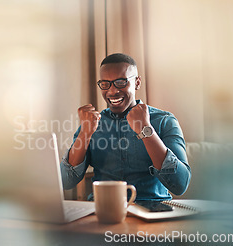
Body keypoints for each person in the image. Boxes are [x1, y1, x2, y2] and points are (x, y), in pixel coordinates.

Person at [61, 53, 191, 201]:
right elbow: (66, 181)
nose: (112, 91)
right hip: (102, 212)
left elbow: (180, 184)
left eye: (121, 82)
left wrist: (145, 130)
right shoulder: (91, 124)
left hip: (153, 212)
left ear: (137, 82)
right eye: (105, 84)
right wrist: (84, 133)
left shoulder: (164, 121)